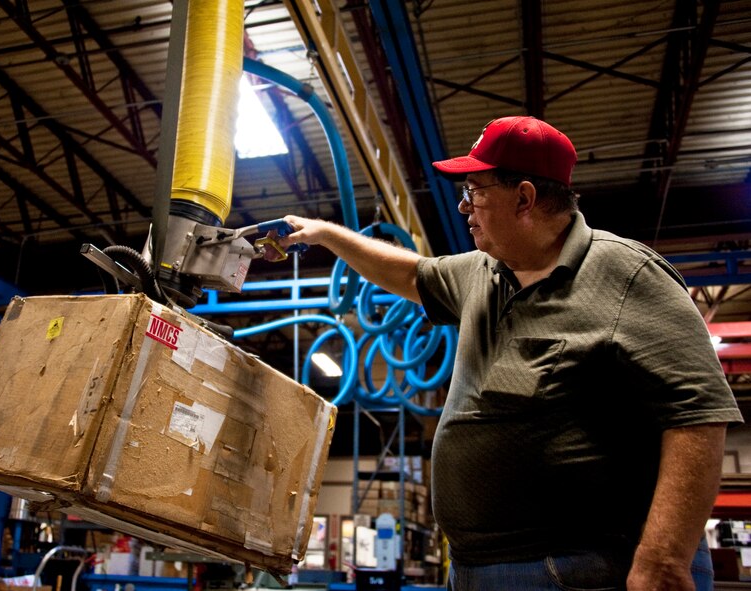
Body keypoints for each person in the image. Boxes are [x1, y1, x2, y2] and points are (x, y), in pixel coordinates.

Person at [268, 116, 743, 590]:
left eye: (475, 191)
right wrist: (324, 234)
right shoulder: (484, 271)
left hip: (586, 568)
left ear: (524, 198)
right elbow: (411, 275)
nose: (463, 207)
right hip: (477, 568)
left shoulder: (626, 274)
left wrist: (663, 558)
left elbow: (698, 415)